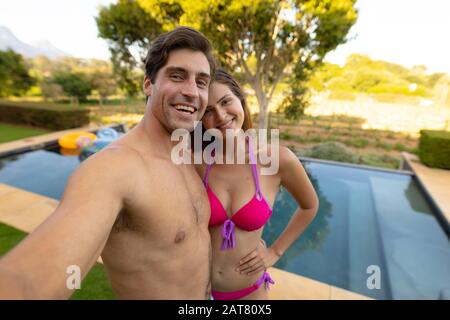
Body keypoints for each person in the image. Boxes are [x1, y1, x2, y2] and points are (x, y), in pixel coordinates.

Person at [0, 26, 216, 299]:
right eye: (177, 76)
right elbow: (27, 283)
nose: (191, 91)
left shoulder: (186, 156)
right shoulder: (114, 169)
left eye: (201, 82)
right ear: (148, 84)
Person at [196, 69, 319, 300]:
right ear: (201, 120)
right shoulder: (197, 163)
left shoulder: (276, 159)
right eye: (208, 111)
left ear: (240, 101)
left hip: (248, 294)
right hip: (197, 292)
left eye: (226, 102)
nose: (221, 116)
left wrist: (275, 251)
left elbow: (310, 206)